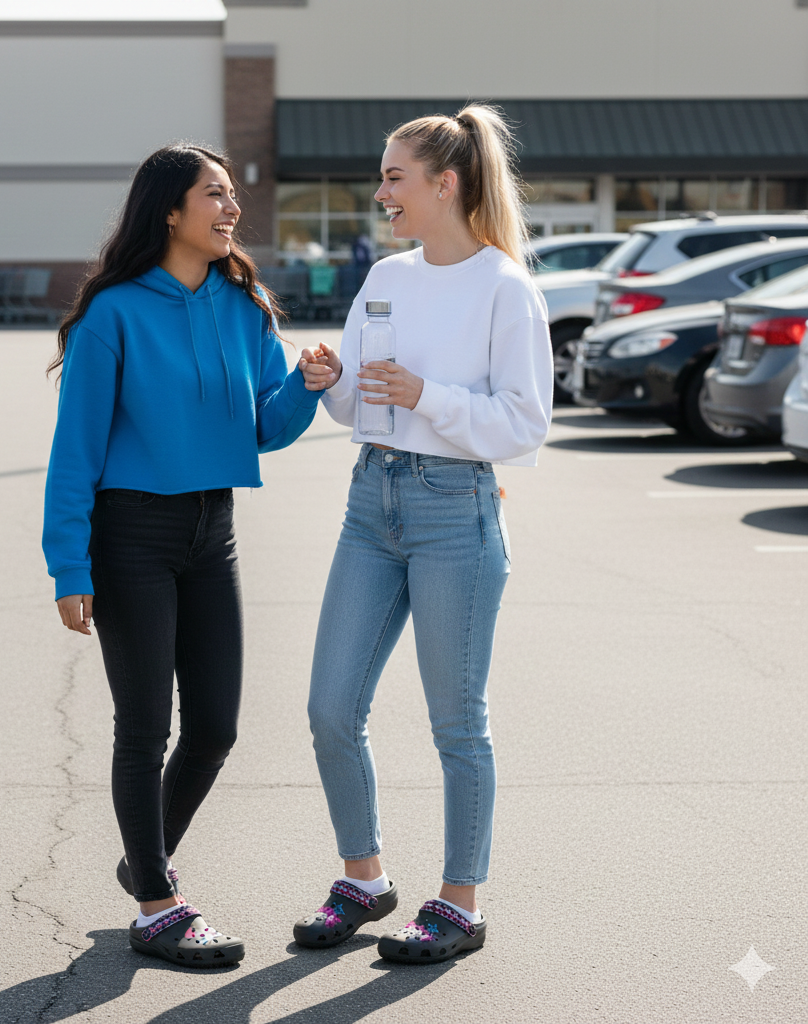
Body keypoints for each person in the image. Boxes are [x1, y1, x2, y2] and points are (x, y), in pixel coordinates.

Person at [42, 145, 333, 968]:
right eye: (215, 194)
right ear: (169, 211)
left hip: (215, 531)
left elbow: (263, 428)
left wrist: (305, 385)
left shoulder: (246, 307)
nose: (232, 207)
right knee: (144, 728)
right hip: (129, 536)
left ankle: (144, 859)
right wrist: (70, 565)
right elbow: (76, 450)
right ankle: (157, 903)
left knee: (214, 728)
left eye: (234, 194)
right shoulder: (116, 313)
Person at [294, 104, 553, 963]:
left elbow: (525, 426)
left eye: (394, 178)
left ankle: (459, 903)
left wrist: (425, 399)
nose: (381, 195)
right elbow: (360, 408)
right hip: (372, 502)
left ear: (444, 184)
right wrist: (330, 382)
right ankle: (364, 881)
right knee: (331, 708)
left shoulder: (505, 287)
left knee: (456, 723)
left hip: (455, 513)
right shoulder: (388, 278)